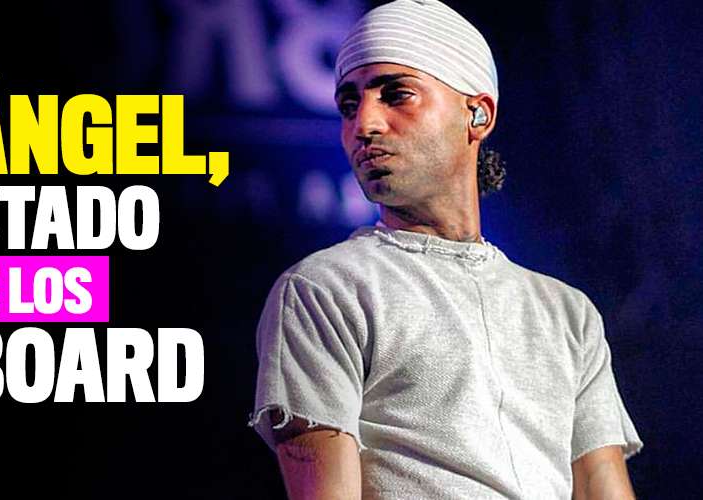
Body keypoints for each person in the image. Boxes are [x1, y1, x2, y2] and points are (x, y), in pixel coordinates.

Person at [247, 1, 643, 498]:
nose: (364, 124)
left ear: (478, 114)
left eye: (396, 94)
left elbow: (603, 488)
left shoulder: (568, 313)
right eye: (349, 105)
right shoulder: (323, 290)